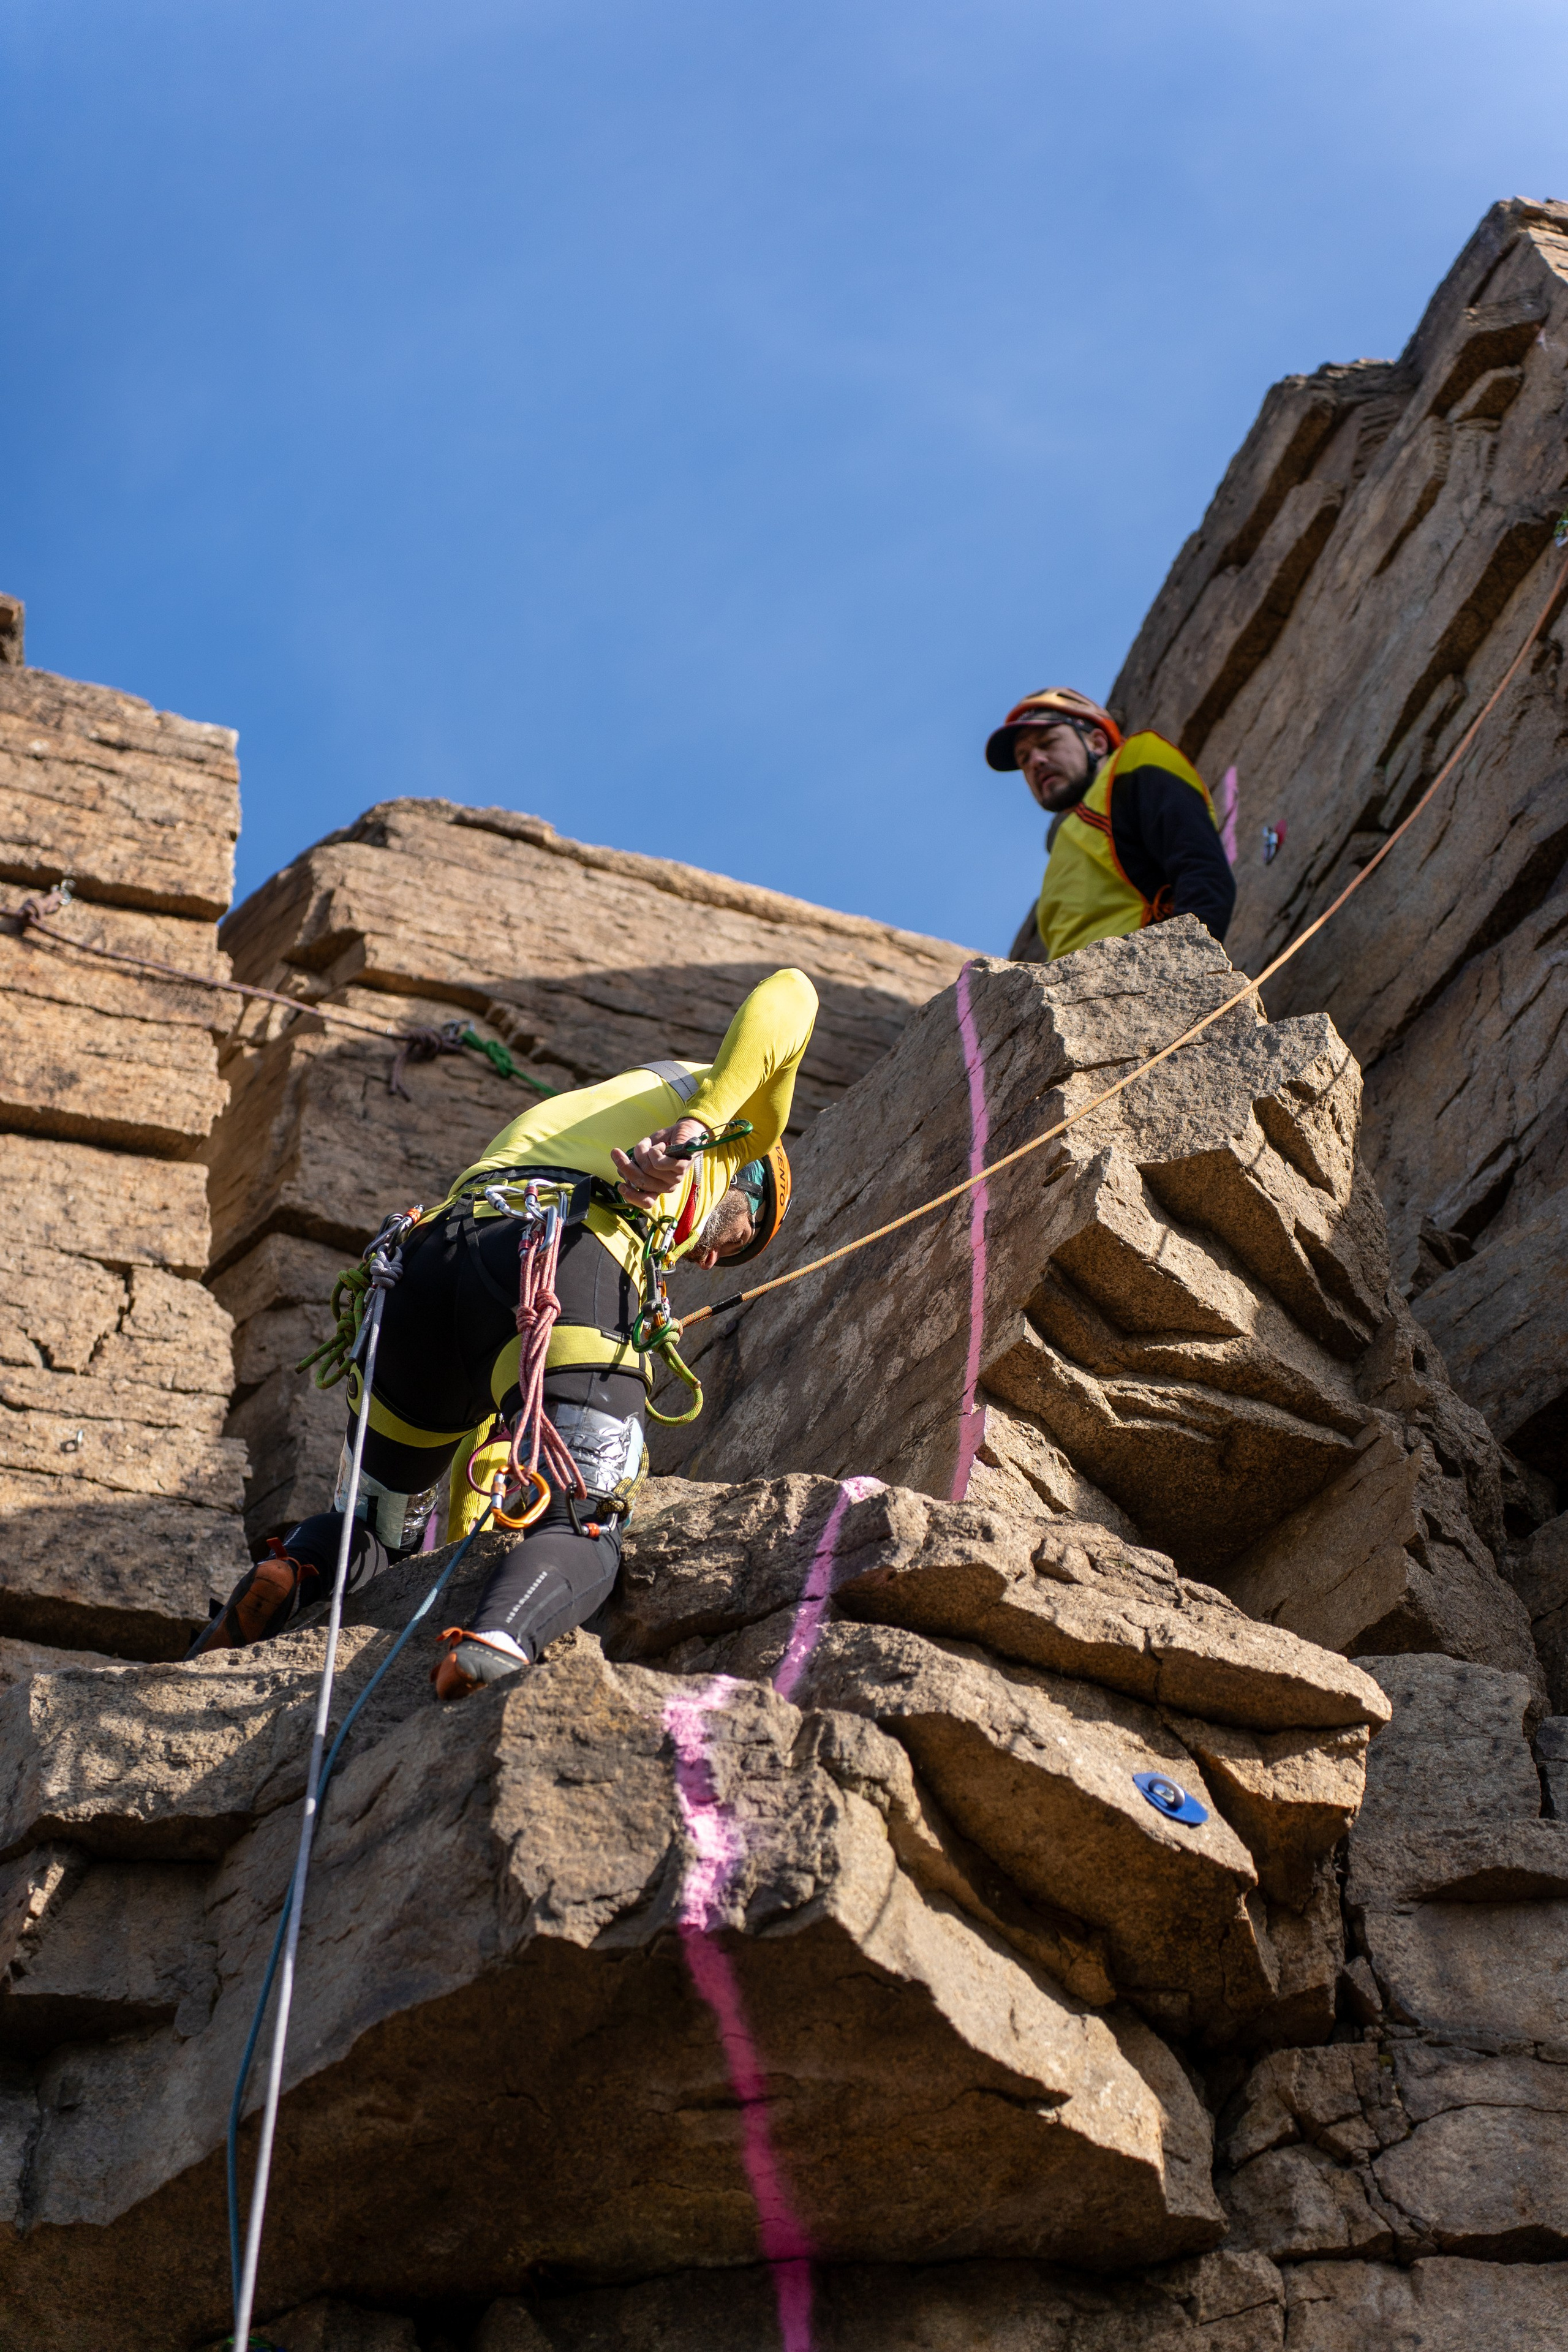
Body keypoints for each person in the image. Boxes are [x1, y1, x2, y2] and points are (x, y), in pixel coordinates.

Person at [189, 966, 818, 1700]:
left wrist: (465, 1543)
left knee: (375, 1527)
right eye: (742, 1238)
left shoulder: (566, 1119)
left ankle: (289, 1570)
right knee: (585, 1513)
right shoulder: (740, 1131)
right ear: (750, 1181)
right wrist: (702, 1126)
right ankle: (501, 1636)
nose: (711, 1258)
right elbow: (793, 993)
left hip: (426, 1273)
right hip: (560, 1255)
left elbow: (487, 1444)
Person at [986, 687, 1235, 963]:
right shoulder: (1065, 849)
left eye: (1047, 743)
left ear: (1098, 743)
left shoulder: (1135, 770)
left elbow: (1203, 876)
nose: (1035, 761)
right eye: (1024, 758)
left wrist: (1178, 974)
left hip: (1147, 981)